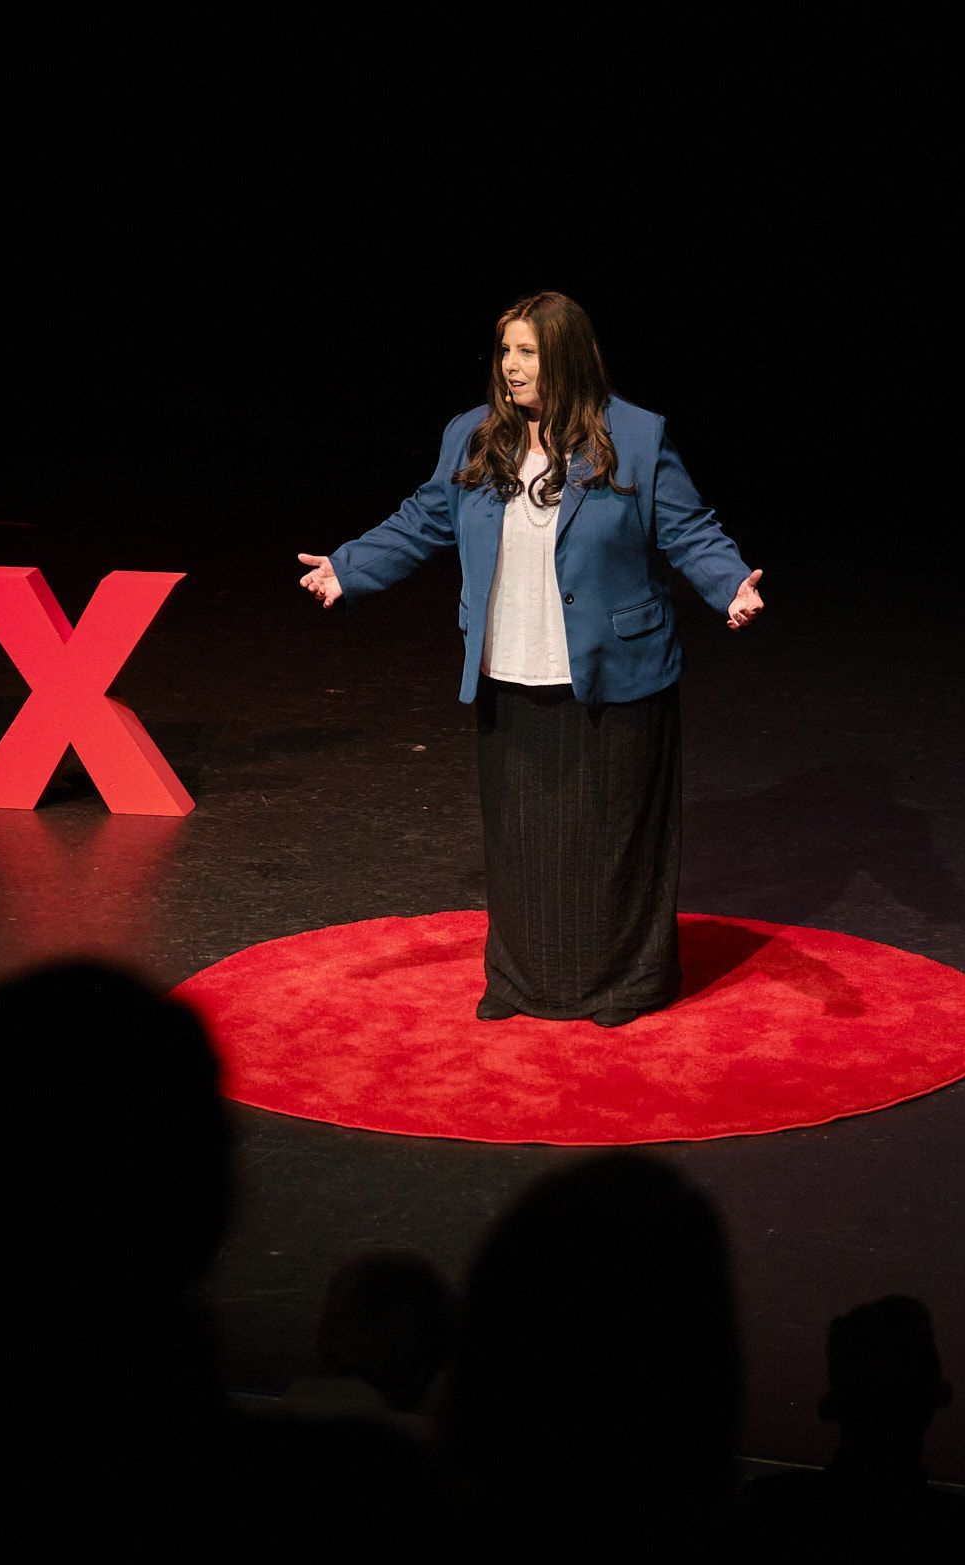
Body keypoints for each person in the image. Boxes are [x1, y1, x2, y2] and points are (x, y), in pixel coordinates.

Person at [299, 289, 764, 1025]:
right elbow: (423, 518)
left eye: (528, 353)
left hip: (615, 670)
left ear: (567, 359)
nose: (511, 368)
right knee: (520, 838)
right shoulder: (475, 435)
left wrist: (727, 582)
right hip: (508, 663)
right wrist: (350, 567)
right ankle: (519, 982)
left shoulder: (635, 437)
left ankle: (621, 986)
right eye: (505, 352)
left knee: (611, 840)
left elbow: (688, 529)